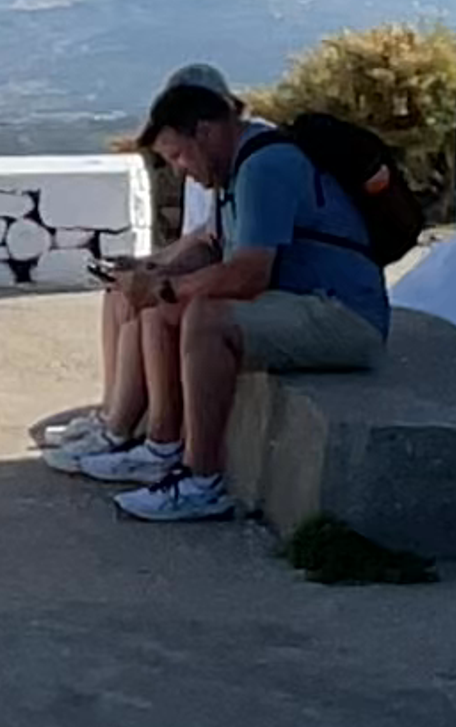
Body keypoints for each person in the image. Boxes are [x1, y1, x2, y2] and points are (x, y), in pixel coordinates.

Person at [49, 69, 391, 524]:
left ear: (205, 132)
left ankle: (203, 482)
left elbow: (248, 274)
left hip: (345, 316)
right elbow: (216, 248)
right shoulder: (236, 168)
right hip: (304, 301)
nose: (179, 169)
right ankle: (160, 447)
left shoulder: (264, 167)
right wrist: (155, 276)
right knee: (166, 307)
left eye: (178, 155)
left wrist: (165, 285)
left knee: (206, 320)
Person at [32, 76, 230, 467]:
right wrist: (146, 265)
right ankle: (112, 412)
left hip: (220, 277)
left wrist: (159, 274)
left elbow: (214, 245)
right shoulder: (208, 163)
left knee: (152, 307)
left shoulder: (230, 163)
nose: (177, 169)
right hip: (204, 264)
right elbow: (200, 235)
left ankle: (132, 433)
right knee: (119, 292)